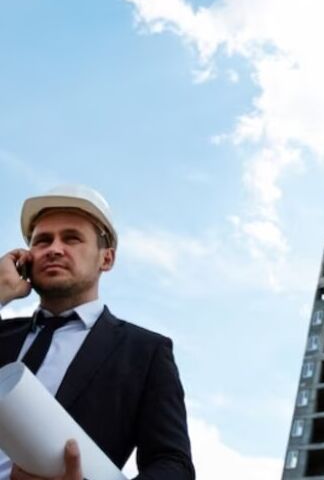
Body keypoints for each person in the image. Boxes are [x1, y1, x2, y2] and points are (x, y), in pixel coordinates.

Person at [0, 185, 194, 480]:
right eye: (42, 241)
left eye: (72, 238)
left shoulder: (144, 352)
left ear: (106, 259)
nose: (54, 249)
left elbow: (173, 464)